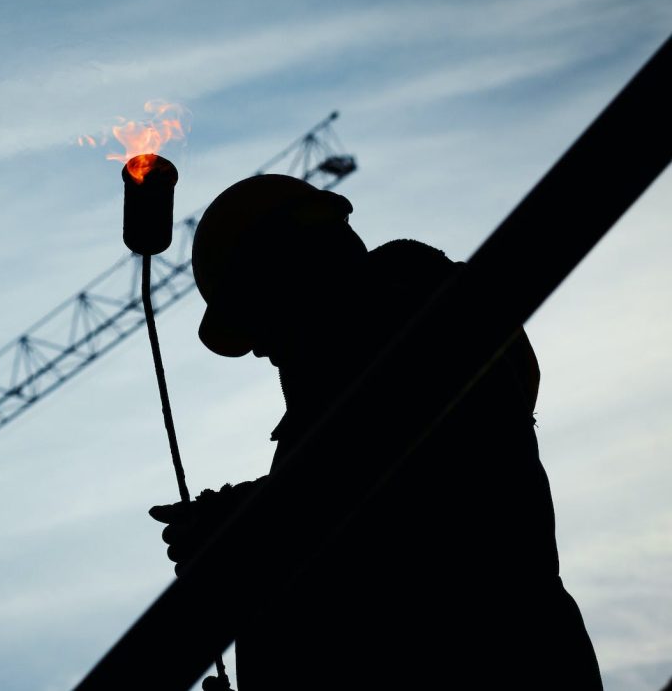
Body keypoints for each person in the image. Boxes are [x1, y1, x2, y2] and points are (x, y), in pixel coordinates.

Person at [150, 174, 602, 689]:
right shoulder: (343, 411)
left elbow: (403, 514)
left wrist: (246, 527)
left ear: (293, 269)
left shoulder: (428, 331)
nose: (258, 347)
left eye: (257, 314)